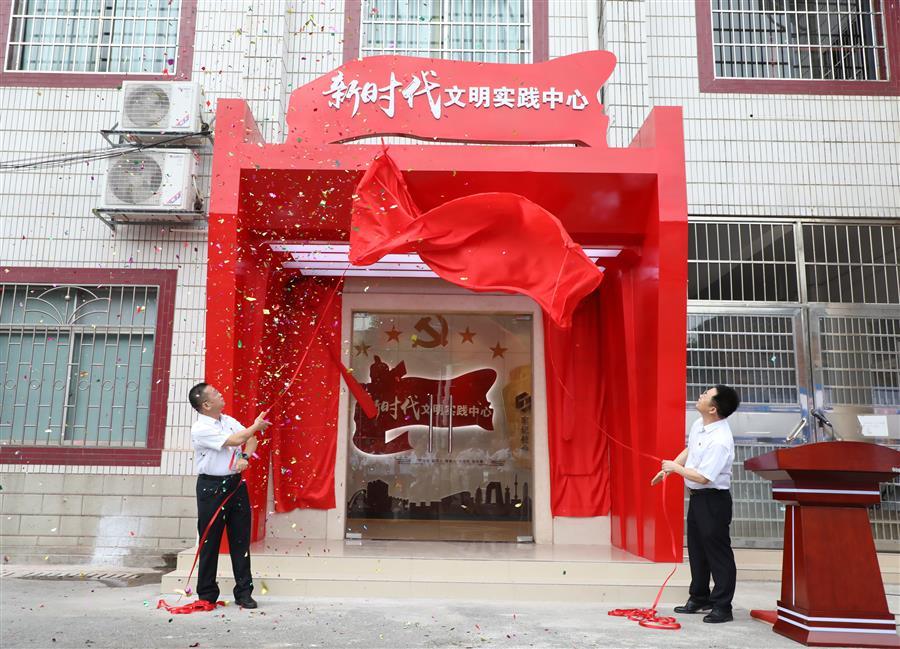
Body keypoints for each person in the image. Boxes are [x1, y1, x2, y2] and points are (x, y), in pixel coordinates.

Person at [652, 384, 741, 624]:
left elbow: (704, 477)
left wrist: (675, 468)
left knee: (718, 553)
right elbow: (690, 449)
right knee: (697, 549)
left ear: (713, 409)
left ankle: (722, 605)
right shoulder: (699, 425)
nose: (700, 395)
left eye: (706, 395)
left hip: (714, 500)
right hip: (698, 498)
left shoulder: (720, 440)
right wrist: (669, 468)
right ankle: (699, 596)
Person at [188, 382, 271, 609]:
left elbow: (250, 440)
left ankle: (244, 592)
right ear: (206, 405)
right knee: (210, 541)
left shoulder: (228, 421)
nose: (220, 394)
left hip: (235, 485)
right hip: (211, 487)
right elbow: (236, 440)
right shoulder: (200, 428)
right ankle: (207, 594)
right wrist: (254, 427)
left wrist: (245, 456)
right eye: (215, 393)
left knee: (240, 540)